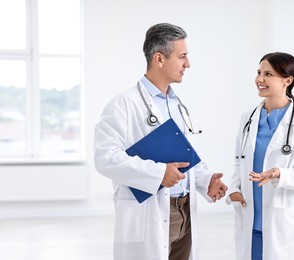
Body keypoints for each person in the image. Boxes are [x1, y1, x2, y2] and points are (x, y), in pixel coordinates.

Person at [94, 23, 228, 260]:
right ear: (159, 59)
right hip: (149, 214)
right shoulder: (123, 105)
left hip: (184, 212)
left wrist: (206, 180)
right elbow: (105, 158)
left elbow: (183, 155)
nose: (188, 64)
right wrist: (158, 174)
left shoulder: (176, 104)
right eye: (182, 56)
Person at [226, 52, 294, 260]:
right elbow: (239, 161)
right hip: (250, 218)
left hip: (284, 222)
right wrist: (234, 188)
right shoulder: (248, 117)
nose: (260, 79)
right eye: (259, 72)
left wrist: (280, 174)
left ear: (288, 80)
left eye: (268, 74)